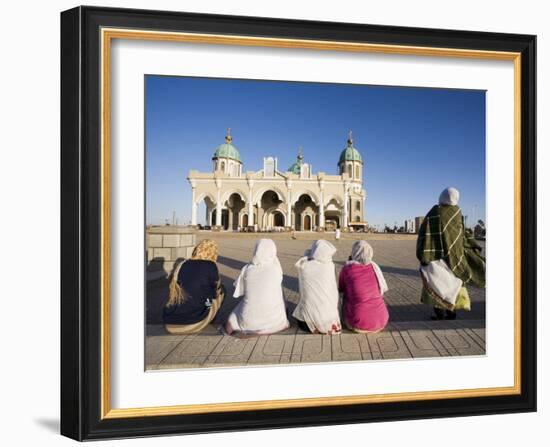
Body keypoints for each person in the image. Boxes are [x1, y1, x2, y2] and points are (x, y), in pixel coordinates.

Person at [416, 187, 486, 320]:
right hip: (455, 256)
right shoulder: (457, 212)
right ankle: (452, 313)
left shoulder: (435, 211)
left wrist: (423, 253)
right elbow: (462, 234)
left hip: (435, 257)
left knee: (437, 284)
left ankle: (440, 314)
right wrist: (469, 246)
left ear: (442, 196)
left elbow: (425, 233)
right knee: (453, 284)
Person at [225, 239, 289, 336]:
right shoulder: (276, 268)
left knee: (240, 307)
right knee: (278, 293)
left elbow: (242, 291)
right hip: (273, 320)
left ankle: (237, 325)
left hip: (247, 321)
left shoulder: (248, 269)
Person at [163, 239, 225, 334]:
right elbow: (213, 294)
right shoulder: (211, 265)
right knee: (221, 291)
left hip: (170, 323)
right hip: (193, 324)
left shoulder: (183, 264)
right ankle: (211, 318)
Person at [338, 240, 389, 333]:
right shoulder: (374, 267)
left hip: (358, 323)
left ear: (354, 252)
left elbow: (341, 289)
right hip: (382, 321)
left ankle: (347, 321)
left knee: (345, 296)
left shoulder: (347, 269)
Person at [293, 240, 341, 334]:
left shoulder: (306, 266)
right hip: (330, 321)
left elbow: (303, 260)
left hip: (307, 325)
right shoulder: (330, 266)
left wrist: (308, 254)